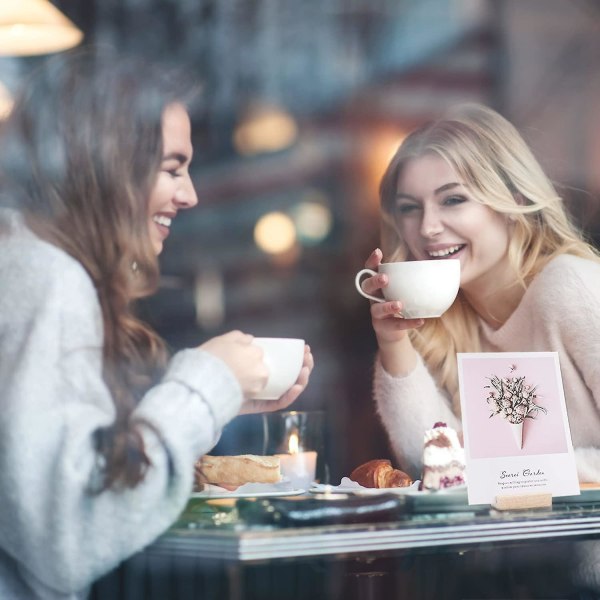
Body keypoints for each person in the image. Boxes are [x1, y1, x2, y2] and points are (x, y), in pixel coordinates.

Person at [0, 49, 313, 600]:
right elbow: (72, 531)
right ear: (105, 164)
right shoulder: (48, 278)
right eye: (172, 167)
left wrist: (219, 403)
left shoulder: (23, 261)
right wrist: (205, 385)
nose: (190, 193)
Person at [359, 102, 600, 594]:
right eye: (410, 207)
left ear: (510, 199)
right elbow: (434, 466)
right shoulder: (446, 319)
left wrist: (515, 474)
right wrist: (394, 343)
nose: (427, 228)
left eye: (453, 200)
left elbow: (485, 477)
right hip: (526, 578)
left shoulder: (570, 288)